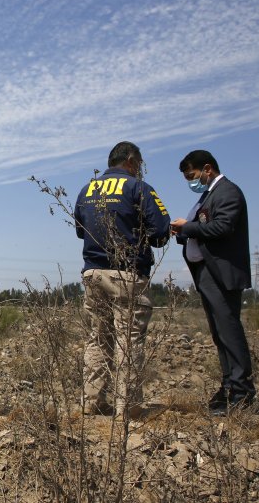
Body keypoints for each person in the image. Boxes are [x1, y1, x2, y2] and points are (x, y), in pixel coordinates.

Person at [74, 141, 169, 419]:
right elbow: (160, 233)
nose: (139, 169)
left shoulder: (87, 189)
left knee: (98, 338)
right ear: (130, 161)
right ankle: (127, 408)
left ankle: (92, 402)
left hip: (93, 273)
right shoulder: (139, 188)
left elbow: (81, 230)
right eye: (138, 164)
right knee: (129, 339)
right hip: (127, 274)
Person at [170, 150, 256, 415]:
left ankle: (242, 392)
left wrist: (188, 228)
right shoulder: (207, 195)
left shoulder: (228, 192)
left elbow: (222, 227)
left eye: (192, 175)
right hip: (206, 273)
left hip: (220, 273)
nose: (191, 181)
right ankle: (230, 385)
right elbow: (201, 229)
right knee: (220, 334)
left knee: (229, 330)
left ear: (207, 169)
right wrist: (182, 232)